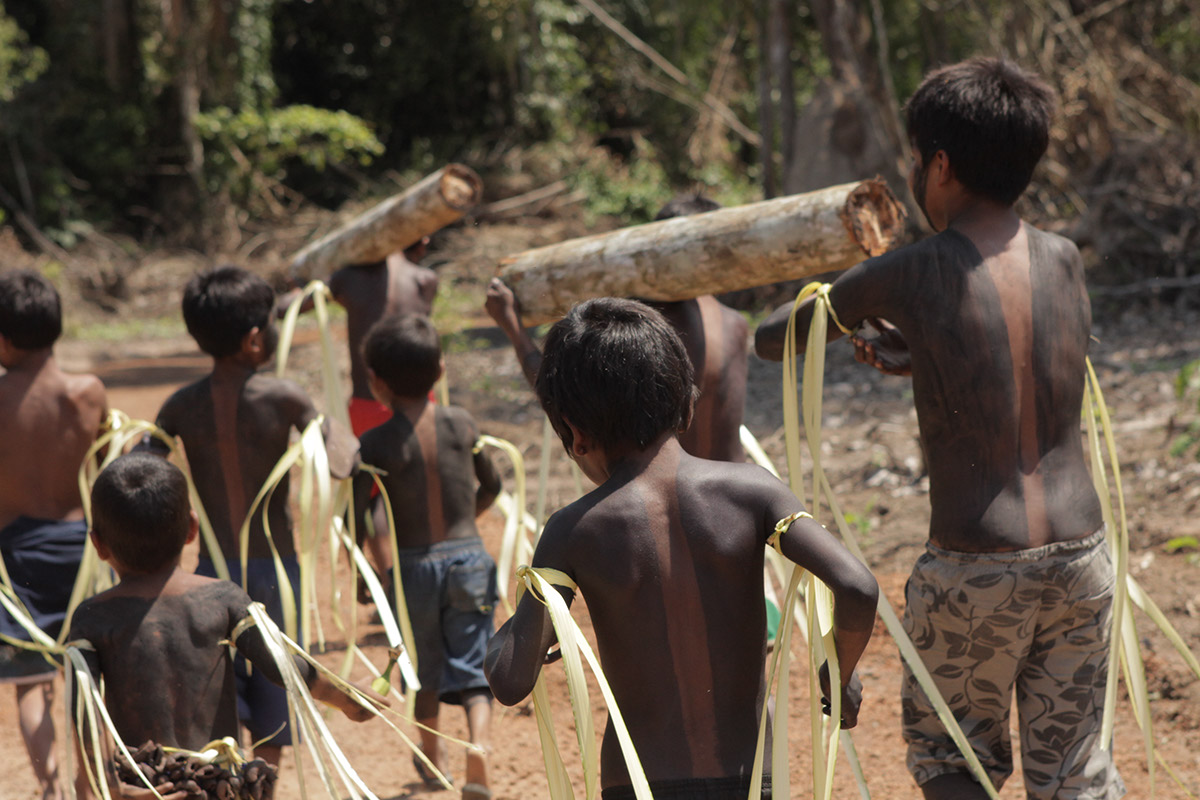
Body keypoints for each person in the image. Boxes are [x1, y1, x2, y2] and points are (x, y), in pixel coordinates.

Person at [754, 58, 1123, 800]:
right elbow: (1022, 372)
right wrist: (923, 354)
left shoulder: (916, 270)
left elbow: (774, 339)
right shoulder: (1066, 260)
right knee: (1076, 776)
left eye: (919, 162)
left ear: (942, 165)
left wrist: (852, 291)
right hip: (1083, 559)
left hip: (975, 566)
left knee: (954, 760)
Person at [485, 298, 879, 799]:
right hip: (752, 778)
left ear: (576, 434)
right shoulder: (753, 491)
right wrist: (837, 673)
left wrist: (508, 638)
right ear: (685, 401)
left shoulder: (573, 529)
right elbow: (857, 586)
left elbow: (509, 680)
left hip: (639, 785)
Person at [68, 453, 382, 800]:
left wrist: (103, 779)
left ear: (97, 544)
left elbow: (83, 709)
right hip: (215, 784)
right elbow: (283, 666)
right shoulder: (220, 599)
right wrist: (348, 698)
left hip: (143, 786)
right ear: (191, 528)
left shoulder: (91, 618)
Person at [144, 265, 357, 767]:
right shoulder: (284, 397)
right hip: (274, 575)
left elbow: (138, 469)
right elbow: (343, 458)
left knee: (217, 699)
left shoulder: (179, 407)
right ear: (256, 339)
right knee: (275, 693)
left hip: (208, 577)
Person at [351, 312, 502, 800]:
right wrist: (468, 526)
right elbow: (493, 484)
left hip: (412, 568)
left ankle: (434, 763)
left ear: (376, 382)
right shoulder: (462, 423)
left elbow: (360, 515)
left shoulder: (374, 443)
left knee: (425, 669)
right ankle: (478, 748)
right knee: (476, 661)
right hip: (469, 559)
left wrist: (372, 571)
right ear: (441, 370)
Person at [484, 194, 748, 463]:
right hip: (733, 487)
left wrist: (514, 329)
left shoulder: (646, 326)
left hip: (675, 495)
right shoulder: (736, 323)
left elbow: (558, 393)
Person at [0, 269, 108, 800]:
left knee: (30, 683)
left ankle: (48, 787)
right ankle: (90, 787)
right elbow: (106, 471)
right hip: (82, 550)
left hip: (15, 557)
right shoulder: (87, 394)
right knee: (87, 678)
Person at [279, 237, 437, 582]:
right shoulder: (425, 281)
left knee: (372, 493)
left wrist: (302, 284)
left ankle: (388, 579)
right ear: (417, 235)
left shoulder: (349, 278)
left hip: (369, 404)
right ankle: (423, 575)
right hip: (422, 406)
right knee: (421, 486)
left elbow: (289, 307)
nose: (427, 242)